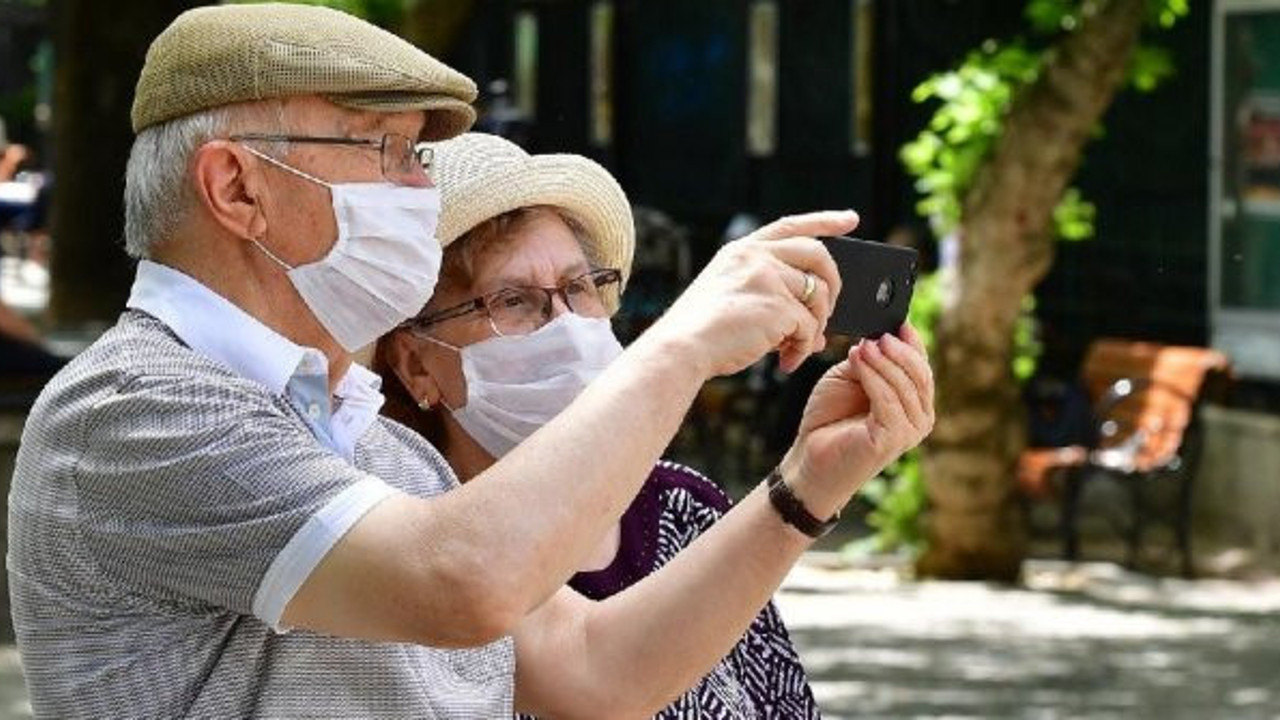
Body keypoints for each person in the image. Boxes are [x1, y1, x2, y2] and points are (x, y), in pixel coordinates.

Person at [8, 5, 934, 718]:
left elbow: (594, 674)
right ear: (236, 187)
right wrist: (681, 346)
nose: (421, 189)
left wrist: (802, 488)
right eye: (393, 152)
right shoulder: (136, 408)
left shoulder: (389, 457)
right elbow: (461, 584)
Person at [372, 132, 819, 717]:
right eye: (513, 301)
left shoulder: (684, 508)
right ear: (414, 365)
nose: (564, 324)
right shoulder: (404, 535)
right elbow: (592, 672)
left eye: (579, 288)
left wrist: (824, 467)